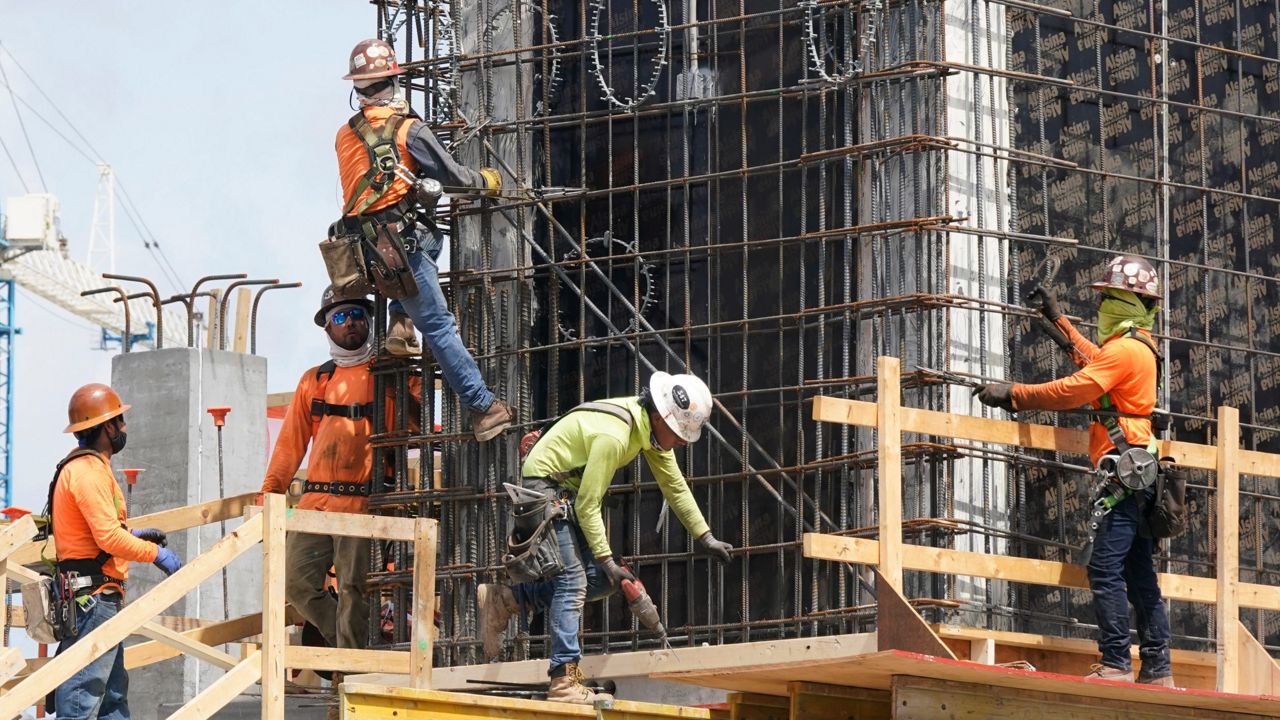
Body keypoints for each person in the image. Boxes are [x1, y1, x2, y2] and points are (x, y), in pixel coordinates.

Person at [974, 254, 1173, 688]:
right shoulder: (1135, 347)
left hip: (1125, 474)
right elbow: (1093, 361)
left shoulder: (1125, 350)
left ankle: (1117, 663)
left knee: (1105, 569)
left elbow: (1073, 389)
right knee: (1139, 575)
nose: (1102, 307)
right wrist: (1059, 320)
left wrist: (1015, 395)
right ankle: (1157, 670)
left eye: (1108, 299)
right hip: (1137, 472)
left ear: (1127, 301)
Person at [477, 372, 734, 704]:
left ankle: (509, 600)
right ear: (659, 417)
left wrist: (705, 536)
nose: (684, 442)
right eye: (681, 434)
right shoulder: (616, 435)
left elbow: (675, 486)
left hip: (566, 491)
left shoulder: (649, 432)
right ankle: (563, 682)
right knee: (573, 581)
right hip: (544, 488)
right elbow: (587, 504)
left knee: (604, 581)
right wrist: (606, 557)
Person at [332, 37, 513, 442]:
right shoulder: (409, 129)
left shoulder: (345, 135)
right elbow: (454, 178)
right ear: (393, 82)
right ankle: (483, 408)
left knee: (429, 241)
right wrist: (485, 181)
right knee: (440, 326)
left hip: (367, 251)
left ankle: (399, 321)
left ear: (358, 88)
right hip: (402, 250)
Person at [260, 285, 423, 661]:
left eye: (356, 316)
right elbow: (290, 444)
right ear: (326, 329)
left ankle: (348, 677)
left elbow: (416, 427)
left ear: (368, 322)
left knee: (354, 587)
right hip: (315, 503)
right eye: (339, 317)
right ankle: (353, 650)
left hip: (362, 503)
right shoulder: (314, 381)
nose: (349, 323)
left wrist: (404, 380)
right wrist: (270, 495)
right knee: (296, 582)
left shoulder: (387, 374)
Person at [49, 383, 182, 718]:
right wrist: (155, 554)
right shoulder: (87, 472)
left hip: (97, 596)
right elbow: (108, 538)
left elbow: (96, 534)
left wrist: (134, 534)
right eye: (120, 421)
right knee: (82, 696)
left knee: (112, 699)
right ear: (106, 427)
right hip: (92, 599)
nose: (123, 427)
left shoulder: (85, 469)